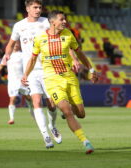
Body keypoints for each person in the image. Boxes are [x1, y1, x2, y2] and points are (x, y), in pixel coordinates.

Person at [21, 10, 98, 154]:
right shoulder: (40, 38)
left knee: (80, 114)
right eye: (62, 19)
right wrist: (25, 74)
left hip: (69, 78)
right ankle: (85, 142)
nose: (65, 22)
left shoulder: (68, 34)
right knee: (67, 111)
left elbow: (79, 52)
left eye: (65, 19)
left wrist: (91, 69)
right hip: (52, 80)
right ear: (52, 22)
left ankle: (66, 109)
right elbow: (32, 59)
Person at [5, 0, 62, 149]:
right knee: (36, 102)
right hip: (30, 71)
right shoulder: (19, 26)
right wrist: (7, 55)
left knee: (51, 104)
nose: (38, 10)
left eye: (40, 7)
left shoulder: (46, 22)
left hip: (48, 68)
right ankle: (45, 136)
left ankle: (53, 125)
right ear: (28, 9)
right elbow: (10, 44)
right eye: (35, 7)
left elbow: (59, 38)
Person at [0, 41, 33, 124]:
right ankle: (11, 118)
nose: (16, 46)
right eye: (14, 44)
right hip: (12, 81)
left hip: (23, 80)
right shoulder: (7, 55)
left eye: (17, 44)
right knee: (12, 99)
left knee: (28, 98)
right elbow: (1, 66)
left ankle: (31, 109)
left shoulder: (23, 55)